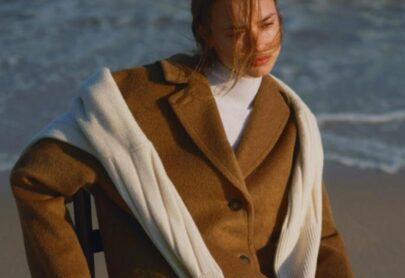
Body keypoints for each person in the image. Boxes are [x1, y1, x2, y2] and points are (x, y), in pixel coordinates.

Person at [10, 0, 353, 277]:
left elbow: (319, 238)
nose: (258, 43)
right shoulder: (136, 101)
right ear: (204, 32)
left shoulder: (292, 118)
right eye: (236, 31)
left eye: (267, 24)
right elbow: (34, 179)